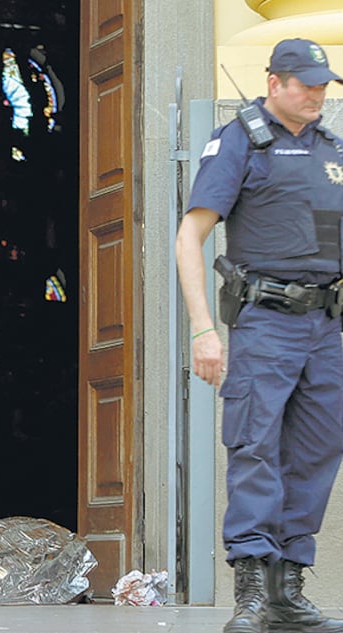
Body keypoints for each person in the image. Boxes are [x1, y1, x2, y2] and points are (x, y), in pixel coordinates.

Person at [176, 38, 343, 633]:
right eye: (307, 84)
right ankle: (249, 590)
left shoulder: (332, 150)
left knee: (318, 454)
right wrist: (203, 331)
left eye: (324, 84)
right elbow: (188, 237)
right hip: (266, 322)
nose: (319, 94)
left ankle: (287, 592)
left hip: (329, 327)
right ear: (275, 83)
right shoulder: (241, 140)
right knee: (255, 448)